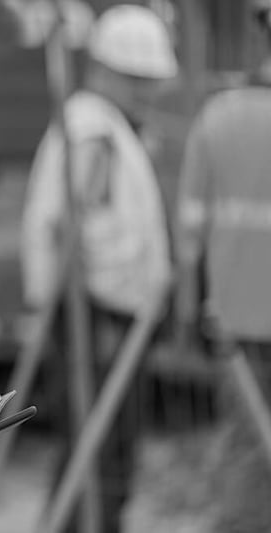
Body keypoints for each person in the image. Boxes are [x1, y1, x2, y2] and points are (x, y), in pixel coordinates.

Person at [21, 5, 177, 532]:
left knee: (99, 450)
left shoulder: (103, 123)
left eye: (151, 81)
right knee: (100, 453)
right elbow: (70, 223)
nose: (148, 93)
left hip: (103, 315)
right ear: (105, 70)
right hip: (96, 317)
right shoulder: (94, 129)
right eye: (138, 80)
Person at [175, 2, 271, 529]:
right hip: (242, 325)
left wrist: (189, 314)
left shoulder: (220, 116)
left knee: (245, 449)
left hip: (235, 322)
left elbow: (190, 232)